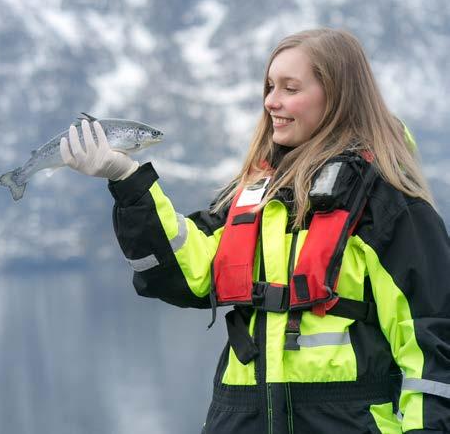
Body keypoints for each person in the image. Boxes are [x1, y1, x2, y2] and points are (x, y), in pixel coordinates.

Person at [60, 28, 450, 433]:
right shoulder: (250, 196)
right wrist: (127, 180)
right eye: (269, 86)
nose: (271, 101)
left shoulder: (390, 205)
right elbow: (184, 274)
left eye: (290, 88)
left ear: (336, 96)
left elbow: (432, 343)